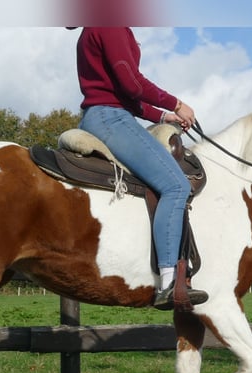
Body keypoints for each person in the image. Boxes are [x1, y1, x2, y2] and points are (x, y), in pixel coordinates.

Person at [73, 27, 208, 310]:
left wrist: (163, 115)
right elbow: (132, 84)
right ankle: (170, 282)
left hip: (105, 114)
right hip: (111, 119)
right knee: (176, 185)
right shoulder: (111, 22)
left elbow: (124, 92)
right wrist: (178, 104)